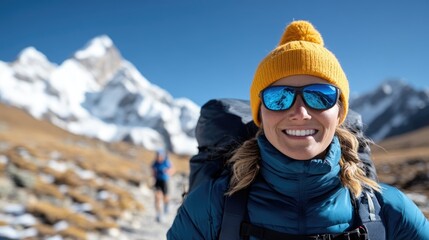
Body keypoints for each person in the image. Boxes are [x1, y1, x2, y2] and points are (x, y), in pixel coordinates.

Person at [167, 20, 429, 239]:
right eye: (279, 97)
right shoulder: (209, 207)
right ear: (260, 113)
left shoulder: (392, 212)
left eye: (319, 95)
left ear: (339, 112)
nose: (300, 113)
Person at [151, 149, 174, 223]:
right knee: (157, 197)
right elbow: (153, 170)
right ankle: (158, 214)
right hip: (158, 181)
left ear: (162, 156)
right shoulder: (155, 163)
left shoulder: (166, 162)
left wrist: (168, 172)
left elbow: (172, 170)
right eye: (157, 155)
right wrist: (153, 176)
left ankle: (166, 207)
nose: (158, 157)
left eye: (159, 155)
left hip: (165, 181)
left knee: (165, 197)